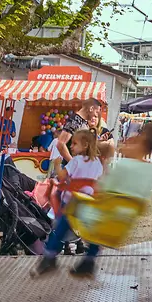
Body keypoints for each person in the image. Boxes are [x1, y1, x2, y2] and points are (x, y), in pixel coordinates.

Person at [35, 129, 105, 277]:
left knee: (60, 229)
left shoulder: (75, 161)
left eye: (74, 143)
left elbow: (61, 177)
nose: (71, 146)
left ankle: (49, 258)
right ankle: (90, 259)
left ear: (85, 145)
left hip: (72, 204)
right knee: (92, 233)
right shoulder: (98, 162)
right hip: (88, 204)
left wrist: (58, 164)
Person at [56, 99, 102, 164]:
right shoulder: (74, 120)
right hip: (72, 168)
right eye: (96, 112)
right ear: (91, 108)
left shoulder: (83, 121)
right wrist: (73, 163)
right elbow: (60, 144)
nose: (96, 116)